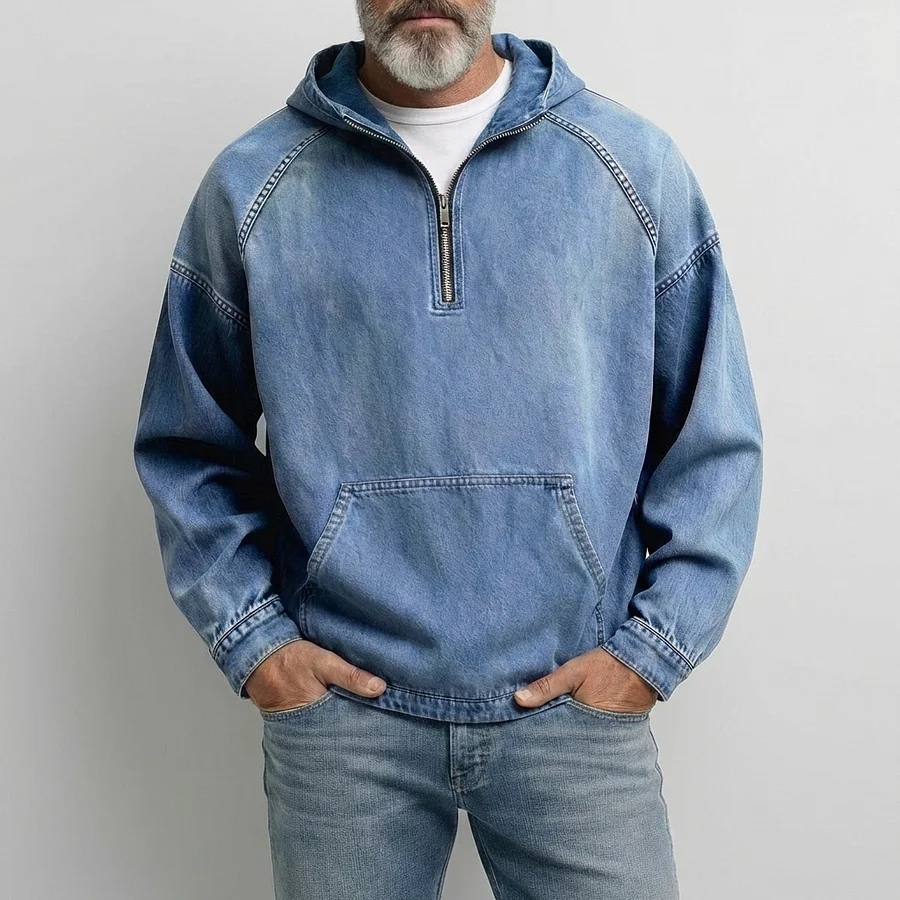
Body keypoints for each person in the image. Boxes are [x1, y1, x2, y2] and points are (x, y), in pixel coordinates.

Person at [132, 1, 763, 897]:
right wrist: (257, 644)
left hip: (574, 712)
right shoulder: (255, 183)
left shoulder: (631, 167)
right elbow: (188, 442)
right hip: (345, 725)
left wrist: (652, 651)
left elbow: (713, 435)